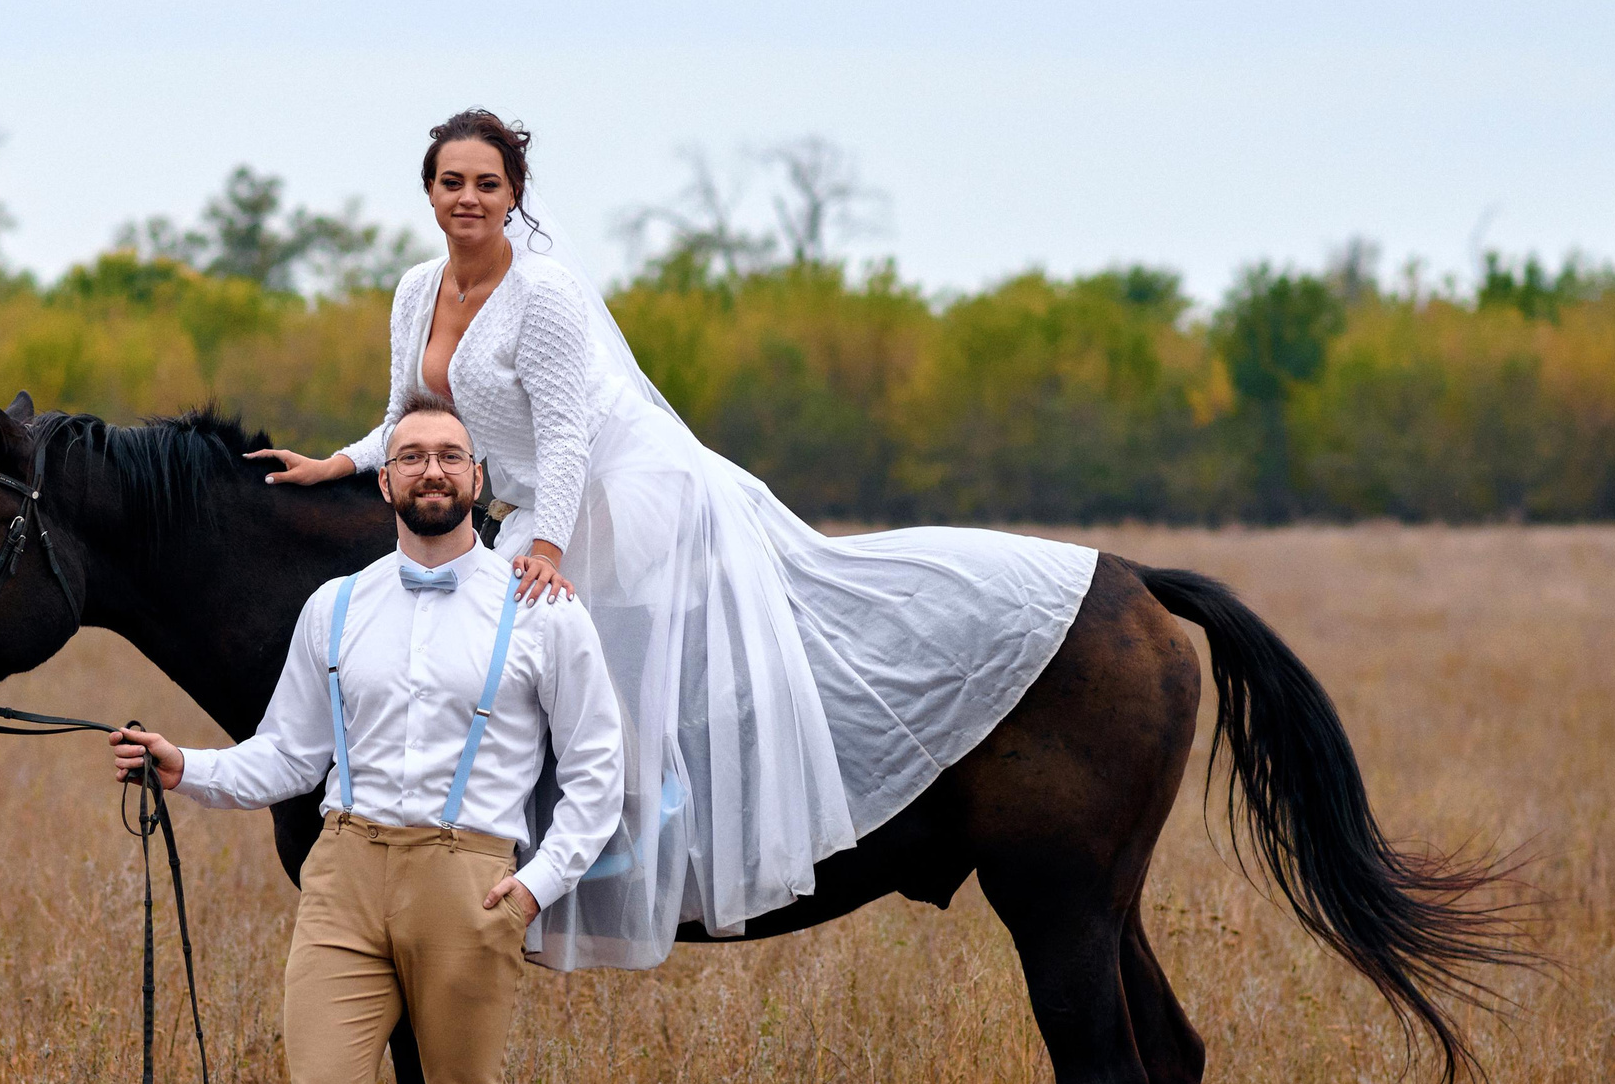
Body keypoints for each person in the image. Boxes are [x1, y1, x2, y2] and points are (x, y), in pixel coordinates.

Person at [246, 108, 1098, 970]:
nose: (468, 198)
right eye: (451, 182)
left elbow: (569, 434)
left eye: (487, 184)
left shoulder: (542, 292)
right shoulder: (415, 288)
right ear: (429, 192)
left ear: (514, 196)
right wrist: (337, 463)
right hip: (538, 490)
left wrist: (548, 548)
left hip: (622, 485)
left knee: (537, 631)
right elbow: (411, 416)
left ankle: (617, 832)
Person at [110, 390, 623, 1084]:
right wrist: (186, 767)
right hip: (342, 876)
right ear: (383, 481)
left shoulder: (543, 609)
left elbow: (599, 771)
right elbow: (290, 754)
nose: (432, 471)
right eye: (412, 457)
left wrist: (531, 887)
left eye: (451, 457)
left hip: (467, 876)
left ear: (477, 482)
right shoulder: (334, 607)